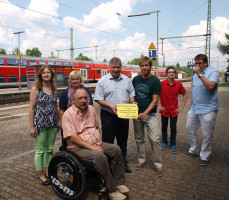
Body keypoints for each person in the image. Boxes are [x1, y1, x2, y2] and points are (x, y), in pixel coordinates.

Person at [62, 88, 129, 200]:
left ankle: (119, 183)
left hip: (96, 143)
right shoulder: (68, 114)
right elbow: (71, 137)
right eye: (80, 98)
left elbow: (97, 126)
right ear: (73, 100)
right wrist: (92, 147)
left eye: (85, 98)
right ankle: (111, 190)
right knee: (99, 156)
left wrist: (96, 141)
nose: (83, 100)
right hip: (77, 148)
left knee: (116, 149)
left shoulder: (92, 109)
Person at [94, 57, 135, 173]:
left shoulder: (127, 80)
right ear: (109, 67)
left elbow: (132, 93)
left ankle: (123, 162)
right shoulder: (102, 81)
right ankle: (108, 164)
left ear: (121, 67)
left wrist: (133, 102)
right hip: (108, 116)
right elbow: (98, 99)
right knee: (107, 142)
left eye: (118, 67)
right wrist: (110, 106)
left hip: (124, 115)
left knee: (123, 141)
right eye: (113, 67)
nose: (116, 69)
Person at [185, 54, 219, 166]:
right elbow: (195, 91)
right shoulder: (195, 76)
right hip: (195, 108)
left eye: (199, 63)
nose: (197, 65)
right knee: (189, 128)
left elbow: (211, 86)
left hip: (208, 109)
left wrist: (200, 74)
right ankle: (194, 149)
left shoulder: (213, 73)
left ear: (206, 63)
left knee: (207, 134)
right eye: (196, 63)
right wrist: (191, 105)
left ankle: (205, 155)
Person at [132, 56, 163, 177]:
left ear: (150, 67)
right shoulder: (136, 79)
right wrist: (133, 102)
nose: (144, 68)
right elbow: (132, 94)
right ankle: (142, 160)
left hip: (150, 115)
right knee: (139, 138)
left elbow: (155, 101)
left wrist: (144, 113)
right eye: (142, 65)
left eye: (146, 65)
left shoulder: (155, 81)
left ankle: (158, 164)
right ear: (139, 67)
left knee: (155, 139)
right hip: (136, 114)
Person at [29, 65, 58, 186]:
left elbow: (55, 106)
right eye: (44, 72)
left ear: (51, 75)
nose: (46, 74)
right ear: (40, 75)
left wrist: (58, 123)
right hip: (40, 123)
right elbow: (31, 108)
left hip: (52, 123)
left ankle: (48, 170)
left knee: (50, 149)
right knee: (40, 150)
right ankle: (41, 174)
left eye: (48, 72)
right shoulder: (36, 88)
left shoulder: (53, 88)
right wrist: (32, 126)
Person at [158, 66, 187, 154]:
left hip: (174, 111)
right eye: (169, 72)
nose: (171, 73)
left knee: (173, 128)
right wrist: (158, 105)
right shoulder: (161, 84)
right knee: (164, 127)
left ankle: (172, 144)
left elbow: (185, 94)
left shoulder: (178, 84)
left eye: (173, 72)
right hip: (164, 110)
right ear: (166, 74)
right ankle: (164, 142)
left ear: (175, 74)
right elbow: (154, 95)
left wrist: (181, 107)